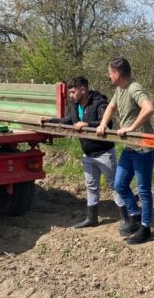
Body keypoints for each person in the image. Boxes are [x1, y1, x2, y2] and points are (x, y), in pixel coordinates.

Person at [39, 77, 127, 228]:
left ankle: (126, 219)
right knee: (91, 186)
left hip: (104, 152)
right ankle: (92, 218)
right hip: (88, 154)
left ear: (83, 90)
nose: (71, 95)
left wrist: (87, 124)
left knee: (115, 186)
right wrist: (49, 120)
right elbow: (68, 121)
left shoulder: (99, 103)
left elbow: (106, 123)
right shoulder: (75, 106)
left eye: (73, 92)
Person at [96, 58, 154, 245]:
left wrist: (132, 128)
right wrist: (103, 124)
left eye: (109, 72)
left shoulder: (133, 88)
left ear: (117, 73)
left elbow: (149, 108)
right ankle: (135, 217)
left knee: (144, 190)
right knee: (119, 184)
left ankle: (145, 228)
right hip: (130, 148)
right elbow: (111, 107)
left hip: (143, 148)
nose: (108, 75)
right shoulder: (119, 89)